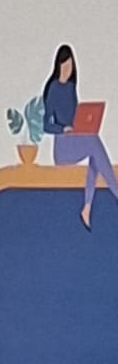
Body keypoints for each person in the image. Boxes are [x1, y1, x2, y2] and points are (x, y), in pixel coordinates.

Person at [43, 43, 118, 231]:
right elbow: (46, 125)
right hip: (62, 148)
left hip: (75, 140)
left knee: (94, 149)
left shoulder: (70, 88)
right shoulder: (53, 88)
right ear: (58, 65)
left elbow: (76, 115)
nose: (67, 70)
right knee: (94, 143)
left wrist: (82, 124)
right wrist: (63, 129)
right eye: (65, 66)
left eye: (70, 66)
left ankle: (87, 207)